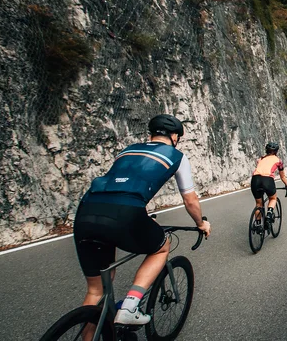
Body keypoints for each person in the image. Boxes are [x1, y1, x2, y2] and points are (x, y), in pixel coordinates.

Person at [72, 114, 211, 328]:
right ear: (175, 136)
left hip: (85, 214)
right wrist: (201, 223)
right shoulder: (176, 156)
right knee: (161, 247)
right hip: (125, 214)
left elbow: (122, 184)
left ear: (151, 134)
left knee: (96, 291)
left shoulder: (127, 151)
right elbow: (190, 200)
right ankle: (130, 306)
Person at [251, 141, 287, 221]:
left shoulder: (261, 159)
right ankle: (269, 214)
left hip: (255, 179)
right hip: (267, 179)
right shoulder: (278, 161)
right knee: (273, 198)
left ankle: (258, 225)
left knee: (259, 205)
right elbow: (282, 176)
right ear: (276, 151)